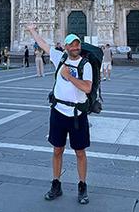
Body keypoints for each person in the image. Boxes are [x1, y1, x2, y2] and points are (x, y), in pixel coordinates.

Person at [27, 25, 92, 205]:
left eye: (77, 45)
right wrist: (32, 30)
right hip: (58, 112)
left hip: (77, 114)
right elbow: (43, 44)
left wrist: (69, 76)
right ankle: (56, 183)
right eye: (71, 45)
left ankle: (82, 185)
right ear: (65, 47)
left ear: (80, 47)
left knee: (80, 152)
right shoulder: (59, 57)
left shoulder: (85, 65)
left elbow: (87, 87)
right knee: (57, 150)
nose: (74, 47)